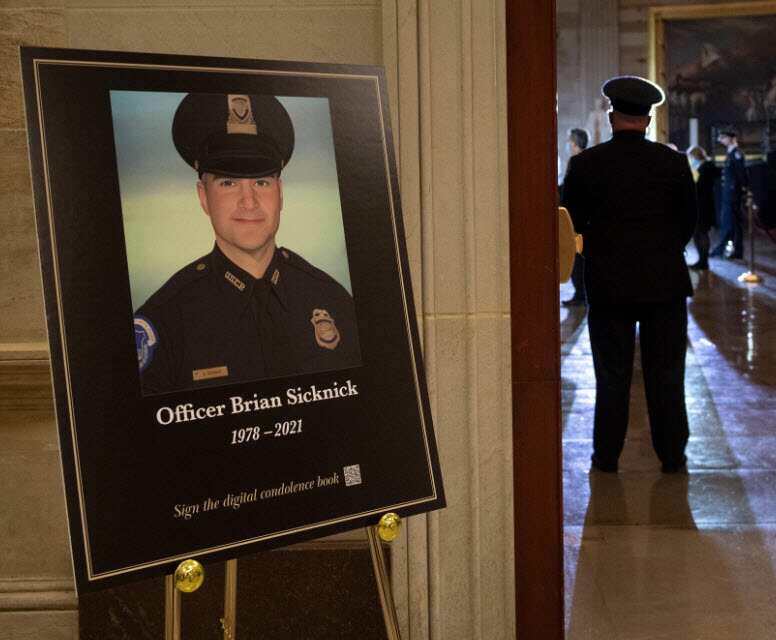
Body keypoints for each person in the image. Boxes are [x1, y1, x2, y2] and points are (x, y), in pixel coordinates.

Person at [134, 93, 361, 394]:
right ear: (203, 197)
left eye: (261, 182)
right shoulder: (165, 321)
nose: (249, 201)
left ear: (280, 193)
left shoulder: (335, 301)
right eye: (228, 183)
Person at [561, 75, 697, 474]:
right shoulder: (674, 163)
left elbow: (572, 225)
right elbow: (689, 221)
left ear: (611, 116)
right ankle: (672, 455)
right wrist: (662, 251)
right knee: (667, 373)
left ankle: (606, 457)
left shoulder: (584, 165)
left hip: (609, 285)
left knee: (611, 374)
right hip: (664, 284)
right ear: (648, 120)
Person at [709, 127, 748, 260]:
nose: (721, 140)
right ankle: (735, 250)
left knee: (730, 221)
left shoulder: (736, 153)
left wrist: (742, 190)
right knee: (732, 222)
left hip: (733, 193)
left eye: (723, 137)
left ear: (731, 138)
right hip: (729, 192)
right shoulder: (731, 152)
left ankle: (727, 249)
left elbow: (741, 174)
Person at [562, 127, 590, 307]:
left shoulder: (576, 162)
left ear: (574, 143)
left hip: (575, 217)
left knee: (576, 257)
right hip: (585, 216)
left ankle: (580, 293)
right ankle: (581, 292)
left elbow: (569, 189)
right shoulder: (589, 160)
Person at [686, 145, 720, 270]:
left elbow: (699, 185)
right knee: (698, 233)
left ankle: (703, 261)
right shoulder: (703, 166)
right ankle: (701, 260)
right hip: (701, 204)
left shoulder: (705, 167)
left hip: (703, 205)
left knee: (701, 232)